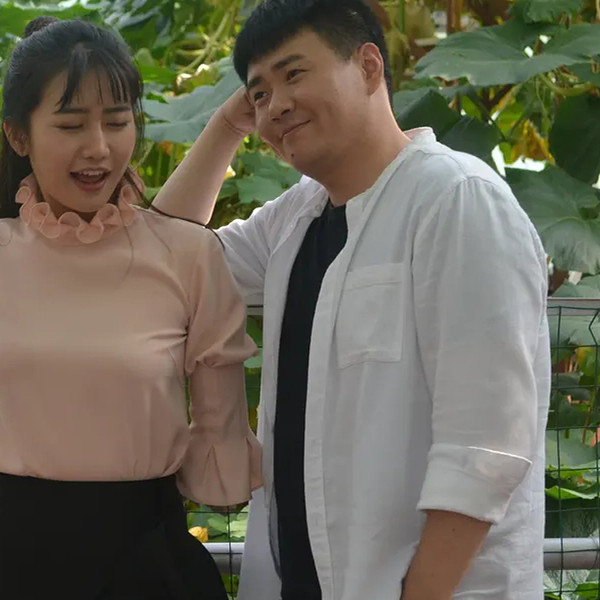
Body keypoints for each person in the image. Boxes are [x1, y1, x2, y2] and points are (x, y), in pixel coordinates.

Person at [153, 0, 551, 598]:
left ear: (368, 67)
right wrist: (230, 124)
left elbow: (485, 448)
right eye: (258, 93)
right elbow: (168, 256)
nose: (275, 105)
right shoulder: (296, 218)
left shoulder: (456, 199)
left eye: (294, 73)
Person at [0, 16, 262, 600]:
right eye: (70, 124)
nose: (98, 147)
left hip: (143, 558)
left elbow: (218, 426)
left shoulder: (188, 256)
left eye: (117, 122)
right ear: (18, 136)